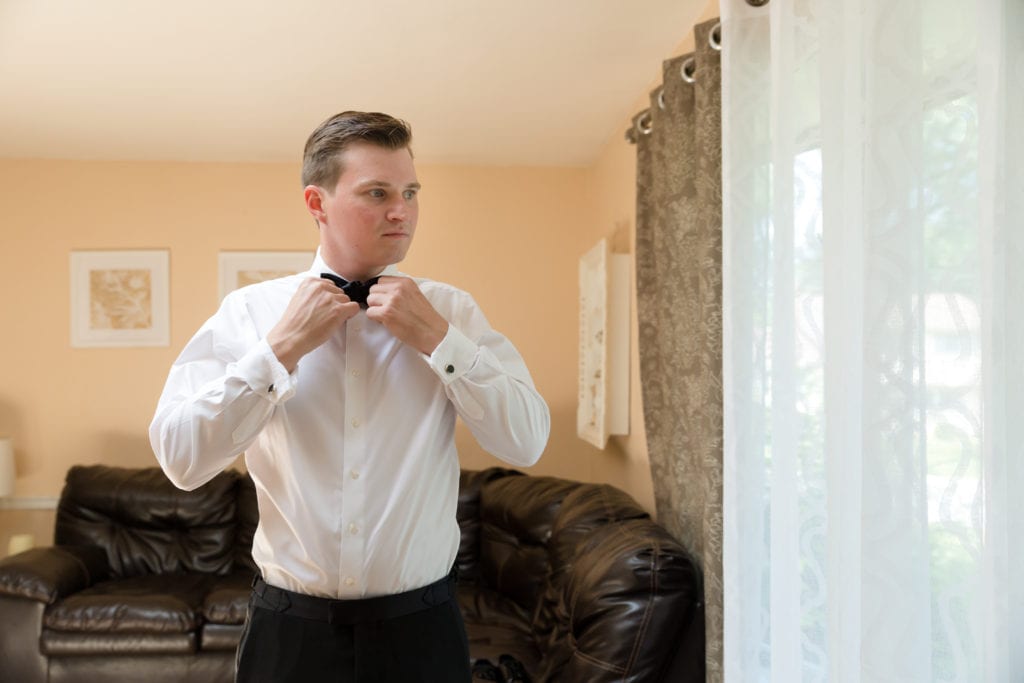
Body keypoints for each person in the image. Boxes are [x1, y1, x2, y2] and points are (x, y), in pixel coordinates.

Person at [149, 110, 550, 682]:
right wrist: (279, 350)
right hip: (288, 633)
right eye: (378, 192)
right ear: (317, 203)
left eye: (410, 192)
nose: (402, 211)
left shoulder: (451, 312)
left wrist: (440, 342)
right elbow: (181, 460)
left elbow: (527, 441)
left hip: (422, 630)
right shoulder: (251, 315)